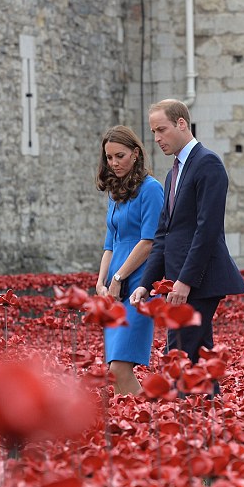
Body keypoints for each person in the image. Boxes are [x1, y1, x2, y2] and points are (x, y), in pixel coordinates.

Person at [129, 99, 244, 377]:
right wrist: (147, 284)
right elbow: (164, 235)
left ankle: (186, 417)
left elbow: (208, 230)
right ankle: (210, 416)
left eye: (162, 129)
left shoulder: (208, 163)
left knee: (180, 356)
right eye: (154, 132)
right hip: (181, 280)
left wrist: (184, 281)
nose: (157, 138)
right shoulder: (173, 175)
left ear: (182, 124)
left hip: (199, 281)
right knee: (197, 359)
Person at [95, 125, 164, 395]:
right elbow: (110, 244)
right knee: (114, 372)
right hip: (114, 289)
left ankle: (149, 423)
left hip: (138, 287)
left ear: (136, 154)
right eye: (109, 158)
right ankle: (140, 427)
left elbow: (149, 242)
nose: (114, 163)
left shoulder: (151, 189)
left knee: (119, 368)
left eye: (120, 156)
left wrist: (118, 278)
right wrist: (101, 283)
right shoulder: (115, 193)